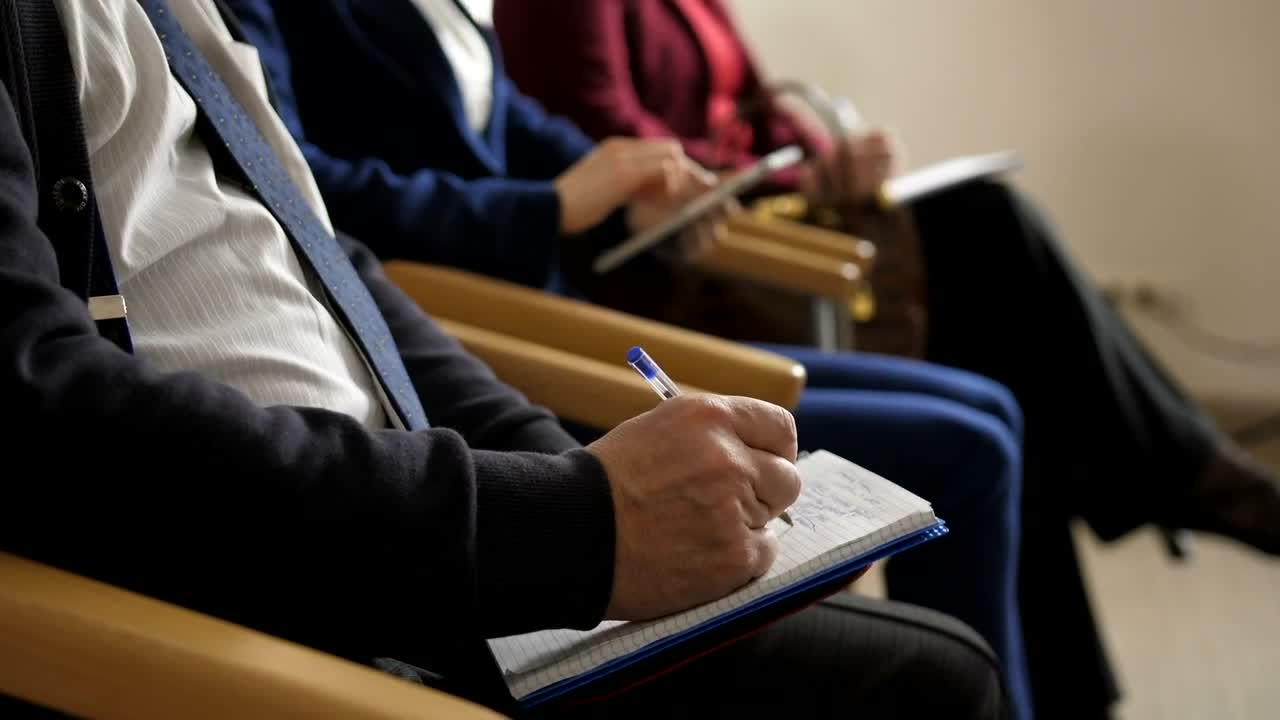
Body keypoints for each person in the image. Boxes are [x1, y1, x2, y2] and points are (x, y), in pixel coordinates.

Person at [0, 0, 1017, 717]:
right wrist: (570, 524)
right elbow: (34, 412)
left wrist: (580, 484)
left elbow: (322, 255)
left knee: (967, 448)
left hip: (424, 514)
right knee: (935, 669)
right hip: (297, 585)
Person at [488, 0, 1280, 716]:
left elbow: (764, 116)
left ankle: (1103, 626)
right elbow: (610, 154)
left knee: (999, 360)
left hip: (748, 225)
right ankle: (1200, 483)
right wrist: (778, 178)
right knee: (986, 242)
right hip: (681, 278)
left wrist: (829, 158)